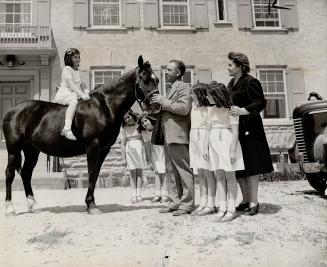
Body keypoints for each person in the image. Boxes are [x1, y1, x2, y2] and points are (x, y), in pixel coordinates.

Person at [227, 51, 273, 216]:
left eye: (230, 65)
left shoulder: (251, 82)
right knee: (239, 165)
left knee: (252, 166)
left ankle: (254, 202)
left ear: (240, 66)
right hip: (236, 129)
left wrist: (243, 110)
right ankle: (245, 200)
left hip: (250, 129)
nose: (228, 68)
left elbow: (260, 102)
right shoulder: (231, 83)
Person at [151, 59, 194, 216]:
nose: (166, 73)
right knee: (170, 170)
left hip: (178, 134)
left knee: (183, 170)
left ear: (178, 72)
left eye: (169, 70)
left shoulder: (184, 87)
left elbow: (184, 109)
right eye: (166, 70)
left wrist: (164, 102)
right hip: (168, 135)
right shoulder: (170, 89)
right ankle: (175, 201)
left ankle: (187, 204)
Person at [205, 82, 245, 222]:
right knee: (219, 175)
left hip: (227, 144)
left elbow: (235, 131)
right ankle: (222, 207)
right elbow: (208, 130)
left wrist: (233, 150)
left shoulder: (232, 110)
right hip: (214, 144)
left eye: (209, 95)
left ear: (216, 95)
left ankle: (231, 208)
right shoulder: (211, 110)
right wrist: (205, 148)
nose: (206, 97)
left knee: (230, 176)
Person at [189, 83, 217, 216]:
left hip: (204, 140)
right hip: (194, 140)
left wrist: (206, 146)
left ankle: (211, 204)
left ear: (199, 94)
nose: (190, 96)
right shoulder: (193, 109)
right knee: (200, 173)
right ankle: (203, 202)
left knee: (208, 172)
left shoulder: (209, 109)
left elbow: (209, 128)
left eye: (193, 93)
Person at [54, 48, 90, 140]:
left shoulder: (79, 70)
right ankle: (66, 129)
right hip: (65, 94)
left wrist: (88, 93)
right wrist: (82, 95)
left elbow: (83, 84)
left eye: (78, 57)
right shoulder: (67, 69)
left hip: (75, 93)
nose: (78, 59)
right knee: (74, 102)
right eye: (75, 57)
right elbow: (72, 85)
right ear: (69, 59)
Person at [138, 113, 170, 203]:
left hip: (163, 150)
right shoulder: (144, 132)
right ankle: (157, 194)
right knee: (157, 173)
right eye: (142, 123)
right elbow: (147, 146)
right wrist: (149, 160)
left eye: (146, 120)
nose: (144, 123)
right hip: (154, 152)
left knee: (164, 173)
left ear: (150, 119)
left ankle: (165, 194)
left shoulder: (159, 127)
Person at [121, 110, 147, 204]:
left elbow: (144, 138)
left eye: (128, 117)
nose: (127, 119)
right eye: (125, 118)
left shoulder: (138, 125)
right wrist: (123, 157)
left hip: (139, 149)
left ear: (132, 115)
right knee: (133, 172)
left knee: (139, 172)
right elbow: (123, 144)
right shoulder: (124, 128)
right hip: (130, 150)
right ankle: (133, 195)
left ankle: (139, 194)